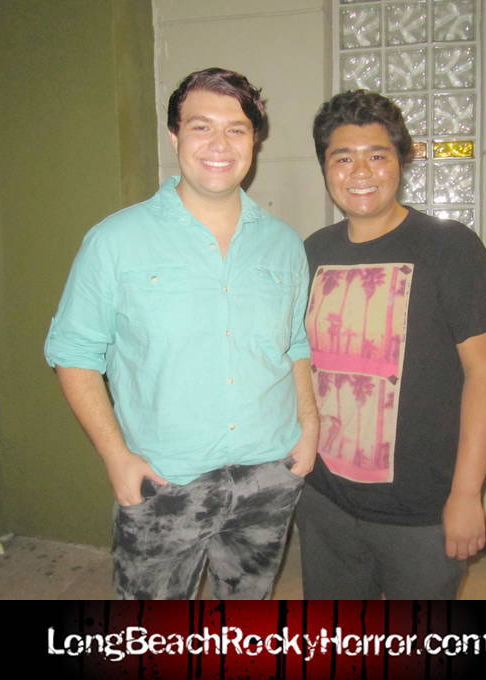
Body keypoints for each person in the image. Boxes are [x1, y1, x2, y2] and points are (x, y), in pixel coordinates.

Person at [44, 68, 318, 600]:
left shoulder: (285, 244)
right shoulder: (114, 240)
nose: (220, 144)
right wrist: (117, 458)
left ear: (255, 140)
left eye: (236, 129)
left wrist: (309, 425)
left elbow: (294, 344)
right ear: (174, 136)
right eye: (201, 127)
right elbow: (73, 353)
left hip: (269, 474)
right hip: (164, 483)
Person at [297, 90, 486, 599]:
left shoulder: (450, 247)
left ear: (401, 161)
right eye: (342, 158)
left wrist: (466, 494)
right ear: (325, 168)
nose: (360, 172)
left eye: (377, 155)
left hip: (420, 511)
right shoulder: (312, 251)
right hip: (324, 500)